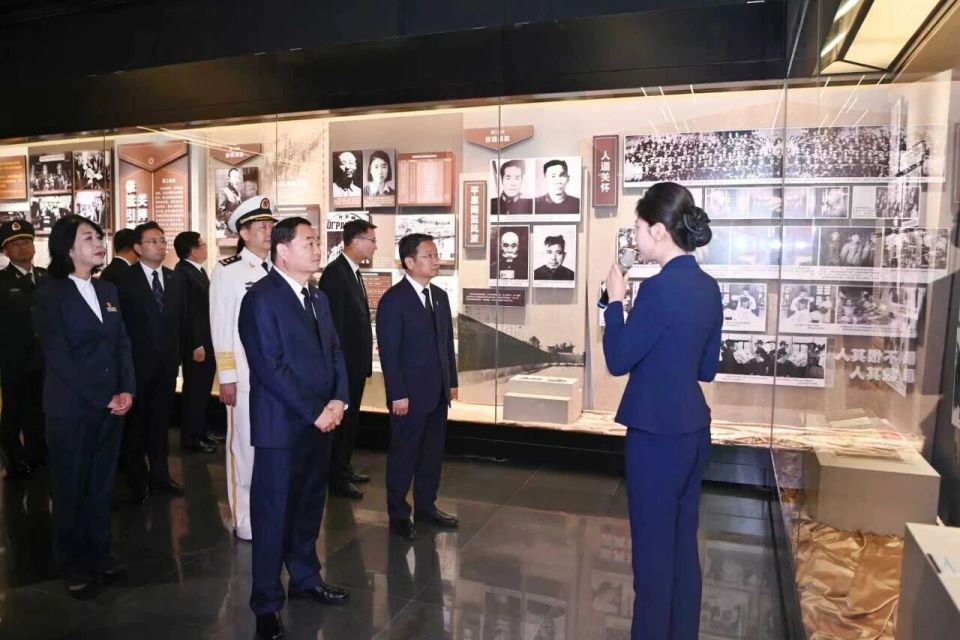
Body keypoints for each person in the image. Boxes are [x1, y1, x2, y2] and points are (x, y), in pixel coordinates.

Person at [601, 182, 722, 640]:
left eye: (637, 228)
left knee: (652, 560)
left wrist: (616, 301)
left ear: (658, 230)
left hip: (655, 436)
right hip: (693, 430)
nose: (634, 237)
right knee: (682, 551)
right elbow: (706, 369)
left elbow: (618, 359)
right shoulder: (708, 287)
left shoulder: (657, 289)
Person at [238, 217, 350, 640]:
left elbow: (335, 351)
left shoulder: (318, 297)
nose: (318, 248)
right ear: (282, 251)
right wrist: (315, 410)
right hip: (282, 428)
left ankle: (305, 578)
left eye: (317, 242)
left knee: (308, 509)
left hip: (321, 423)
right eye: (309, 242)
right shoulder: (261, 299)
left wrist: (339, 400)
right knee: (273, 517)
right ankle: (266, 604)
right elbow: (270, 366)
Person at [32, 215, 135, 597]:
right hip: (71, 408)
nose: (98, 243)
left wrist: (126, 390)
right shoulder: (50, 293)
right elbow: (59, 356)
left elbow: (121, 343)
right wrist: (100, 395)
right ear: (68, 248)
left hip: (111, 406)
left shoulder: (107, 289)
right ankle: (72, 563)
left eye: (99, 236)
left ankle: (99, 553)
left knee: (101, 484)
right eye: (88, 238)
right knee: (70, 487)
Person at [377, 233, 459, 541]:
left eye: (436, 255)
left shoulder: (439, 296)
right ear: (409, 262)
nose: (436, 261)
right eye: (429, 256)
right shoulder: (393, 301)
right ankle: (399, 514)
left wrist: (451, 382)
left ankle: (426, 506)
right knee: (404, 456)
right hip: (408, 396)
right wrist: (397, 394)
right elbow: (390, 353)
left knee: (431, 455)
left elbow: (446, 345)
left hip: (436, 393)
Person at [210, 196, 276, 542]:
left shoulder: (279, 267)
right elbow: (222, 327)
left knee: (272, 449)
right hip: (246, 378)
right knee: (244, 449)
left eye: (271, 225)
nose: (269, 232)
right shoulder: (228, 270)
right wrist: (228, 377)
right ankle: (244, 516)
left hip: (277, 379)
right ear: (244, 233)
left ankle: (270, 511)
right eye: (261, 227)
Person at [116, 221, 185, 503]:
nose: (160, 246)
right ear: (137, 247)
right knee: (136, 427)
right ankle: (136, 480)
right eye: (152, 241)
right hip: (136, 366)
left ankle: (160, 476)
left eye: (162, 241)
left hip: (166, 366)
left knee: (160, 424)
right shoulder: (124, 280)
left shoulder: (174, 279)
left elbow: (180, 322)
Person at [317, 219, 377, 499]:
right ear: (356, 241)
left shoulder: (353, 271)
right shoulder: (335, 273)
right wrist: (337, 367)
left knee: (351, 421)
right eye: (371, 241)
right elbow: (334, 326)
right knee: (341, 423)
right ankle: (336, 477)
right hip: (345, 365)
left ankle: (344, 466)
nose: (374, 246)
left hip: (356, 363)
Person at [0, 220, 47, 479]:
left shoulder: (46, 277)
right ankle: (14, 461)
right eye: (15, 244)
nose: (23, 247)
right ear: (5, 251)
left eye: (27, 242)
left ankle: (36, 455)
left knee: (38, 410)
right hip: (14, 360)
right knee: (13, 412)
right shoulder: (2, 281)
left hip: (44, 359)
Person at [174, 231, 223, 453]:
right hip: (197, 344)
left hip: (207, 339)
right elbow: (188, 313)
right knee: (194, 391)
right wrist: (196, 344)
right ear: (193, 251)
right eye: (202, 245)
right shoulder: (183, 274)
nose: (205, 248)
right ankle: (191, 437)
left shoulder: (198, 271)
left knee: (203, 390)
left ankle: (202, 430)